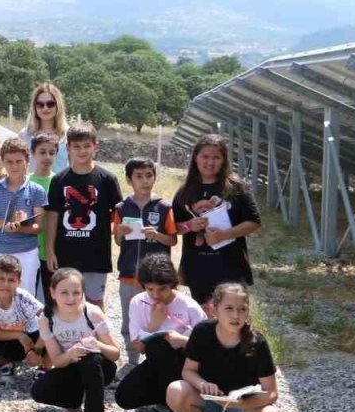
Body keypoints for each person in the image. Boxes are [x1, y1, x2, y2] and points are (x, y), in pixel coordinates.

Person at [166, 282, 280, 412]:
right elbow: (188, 371)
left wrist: (239, 404)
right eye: (229, 308)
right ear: (214, 309)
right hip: (208, 399)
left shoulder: (257, 342)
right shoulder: (202, 331)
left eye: (242, 309)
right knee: (175, 391)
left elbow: (271, 392)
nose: (236, 315)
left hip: (242, 406)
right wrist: (202, 384)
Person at [114, 254, 207, 412]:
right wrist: (154, 323)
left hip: (186, 367)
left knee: (162, 346)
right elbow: (139, 347)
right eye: (150, 289)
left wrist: (184, 341)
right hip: (155, 362)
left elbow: (209, 348)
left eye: (162, 289)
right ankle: (167, 399)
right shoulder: (137, 302)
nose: (156, 295)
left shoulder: (189, 306)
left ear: (172, 284)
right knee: (124, 397)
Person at [172, 134, 262, 310]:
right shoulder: (185, 191)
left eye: (216, 157)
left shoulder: (236, 188)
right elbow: (172, 228)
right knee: (205, 316)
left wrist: (224, 235)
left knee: (233, 315)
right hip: (198, 266)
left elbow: (254, 222)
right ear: (195, 158)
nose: (210, 162)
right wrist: (189, 226)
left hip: (231, 265)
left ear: (224, 160)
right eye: (205, 156)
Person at [32, 268, 120, 412]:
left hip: (100, 367)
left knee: (89, 359)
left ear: (83, 293)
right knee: (39, 390)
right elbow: (57, 360)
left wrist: (97, 345)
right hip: (70, 364)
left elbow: (115, 353)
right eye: (64, 292)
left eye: (76, 292)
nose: (71, 298)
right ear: (52, 292)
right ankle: (73, 403)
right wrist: (71, 353)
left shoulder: (92, 313)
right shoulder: (46, 318)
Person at [43, 122, 122, 309]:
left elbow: (118, 213)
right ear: (68, 148)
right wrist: (50, 250)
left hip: (96, 254)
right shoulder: (58, 180)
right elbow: (52, 216)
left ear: (95, 147)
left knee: (95, 302)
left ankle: (98, 337)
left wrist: (117, 235)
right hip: (66, 253)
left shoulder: (107, 179)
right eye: (76, 146)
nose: (82, 151)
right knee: (64, 303)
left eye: (87, 146)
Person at [112, 157, 178, 364]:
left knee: (158, 317)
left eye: (149, 175)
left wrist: (157, 235)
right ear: (129, 180)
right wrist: (120, 233)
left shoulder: (165, 207)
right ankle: (132, 361)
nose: (145, 181)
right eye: (139, 176)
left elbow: (173, 239)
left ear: (155, 178)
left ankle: (155, 361)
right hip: (129, 275)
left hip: (156, 279)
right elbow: (116, 239)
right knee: (129, 320)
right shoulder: (122, 208)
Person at [0, 137, 47, 296]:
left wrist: (22, 227)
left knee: (25, 299)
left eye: (19, 161)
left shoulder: (37, 191)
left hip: (27, 254)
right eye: (9, 161)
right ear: (3, 161)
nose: (14, 166)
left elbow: (39, 226)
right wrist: (7, 224)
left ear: (27, 161)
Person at [0, 254, 45, 382]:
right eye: (1, 279)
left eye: (11, 280)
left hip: (30, 339)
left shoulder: (23, 298)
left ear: (19, 282)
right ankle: (6, 365)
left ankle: (44, 367)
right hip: (7, 339)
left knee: (49, 335)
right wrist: (19, 335)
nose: (5, 284)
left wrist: (36, 349)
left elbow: (47, 317)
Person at [27, 132, 60, 301]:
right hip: (27, 247)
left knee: (49, 296)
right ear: (32, 153)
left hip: (50, 249)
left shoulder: (60, 182)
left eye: (52, 152)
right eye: (42, 152)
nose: (47, 157)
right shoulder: (25, 182)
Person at [18, 82, 69, 175]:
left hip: (59, 187)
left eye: (50, 104)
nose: (45, 108)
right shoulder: (25, 135)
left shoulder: (68, 135)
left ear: (58, 105)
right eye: (40, 104)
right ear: (35, 107)